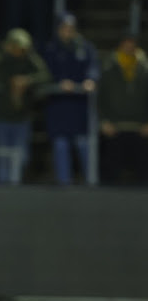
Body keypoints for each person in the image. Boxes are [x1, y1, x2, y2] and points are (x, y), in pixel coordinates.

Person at [0, 28, 50, 184]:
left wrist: (27, 81)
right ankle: (3, 190)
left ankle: (16, 185)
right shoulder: (1, 60)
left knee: (22, 157)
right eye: (16, 47)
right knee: (3, 157)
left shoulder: (29, 60)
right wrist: (10, 82)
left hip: (22, 116)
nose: (20, 51)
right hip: (2, 116)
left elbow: (45, 75)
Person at [42, 12, 99, 185]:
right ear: (58, 30)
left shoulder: (84, 47)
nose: (67, 32)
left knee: (84, 144)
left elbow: (93, 68)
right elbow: (44, 75)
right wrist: (59, 83)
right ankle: (64, 184)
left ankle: (92, 183)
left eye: (71, 29)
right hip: (58, 107)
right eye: (64, 29)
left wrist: (91, 80)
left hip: (79, 106)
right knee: (61, 145)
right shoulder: (50, 49)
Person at [98, 34, 148, 185]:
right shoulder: (108, 67)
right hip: (114, 126)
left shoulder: (144, 67)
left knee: (143, 172)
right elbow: (101, 97)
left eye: (132, 44)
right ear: (120, 45)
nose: (129, 47)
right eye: (126, 43)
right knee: (110, 170)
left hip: (140, 127)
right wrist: (103, 121)